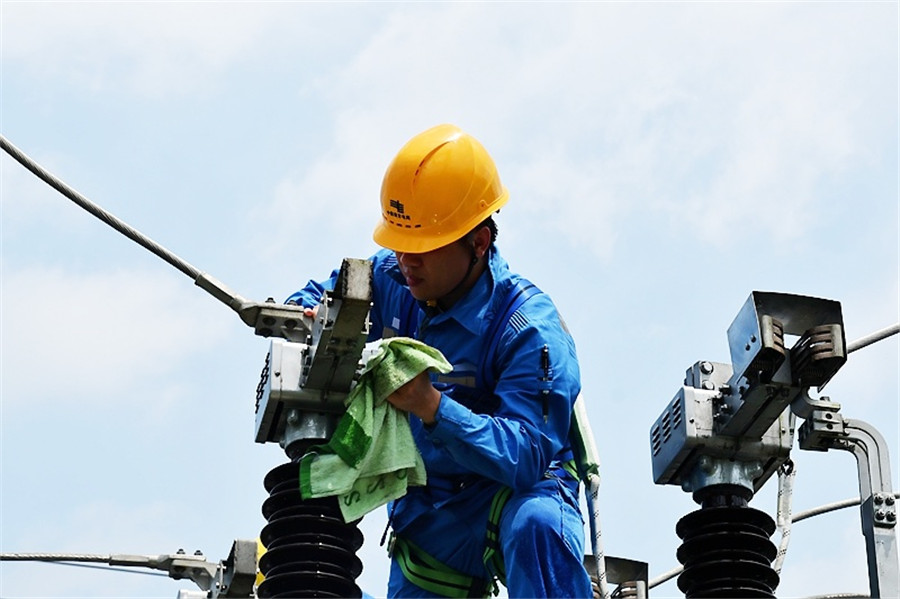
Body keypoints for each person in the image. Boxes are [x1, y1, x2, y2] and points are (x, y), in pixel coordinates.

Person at [287, 124, 592, 598]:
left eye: (424, 248)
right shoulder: (392, 276)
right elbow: (319, 297)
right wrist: (301, 316)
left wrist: (433, 407)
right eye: (400, 243)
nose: (407, 261)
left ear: (479, 242)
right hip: (431, 520)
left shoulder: (528, 328)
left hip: (513, 497)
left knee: (539, 525)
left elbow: (528, 456)